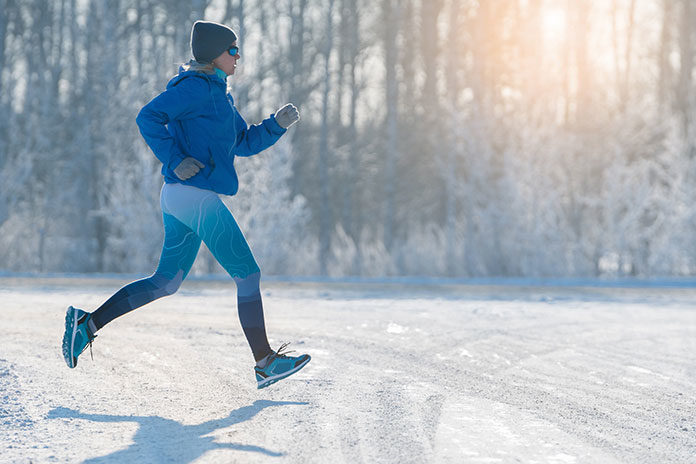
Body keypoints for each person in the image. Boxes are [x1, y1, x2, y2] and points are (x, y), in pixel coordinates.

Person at [61, 20, 310, 389]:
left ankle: (88, 324)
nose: (238, 56)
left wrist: (276, 124)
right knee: (248, 275)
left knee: (166, 282)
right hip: (193, 195)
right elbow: (147, 117)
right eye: (233, 50)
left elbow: (242, 142)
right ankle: (264, 361)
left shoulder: (217, 93)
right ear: (215, 54)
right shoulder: (195, 88)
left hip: (182, 196)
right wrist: (174, 158)